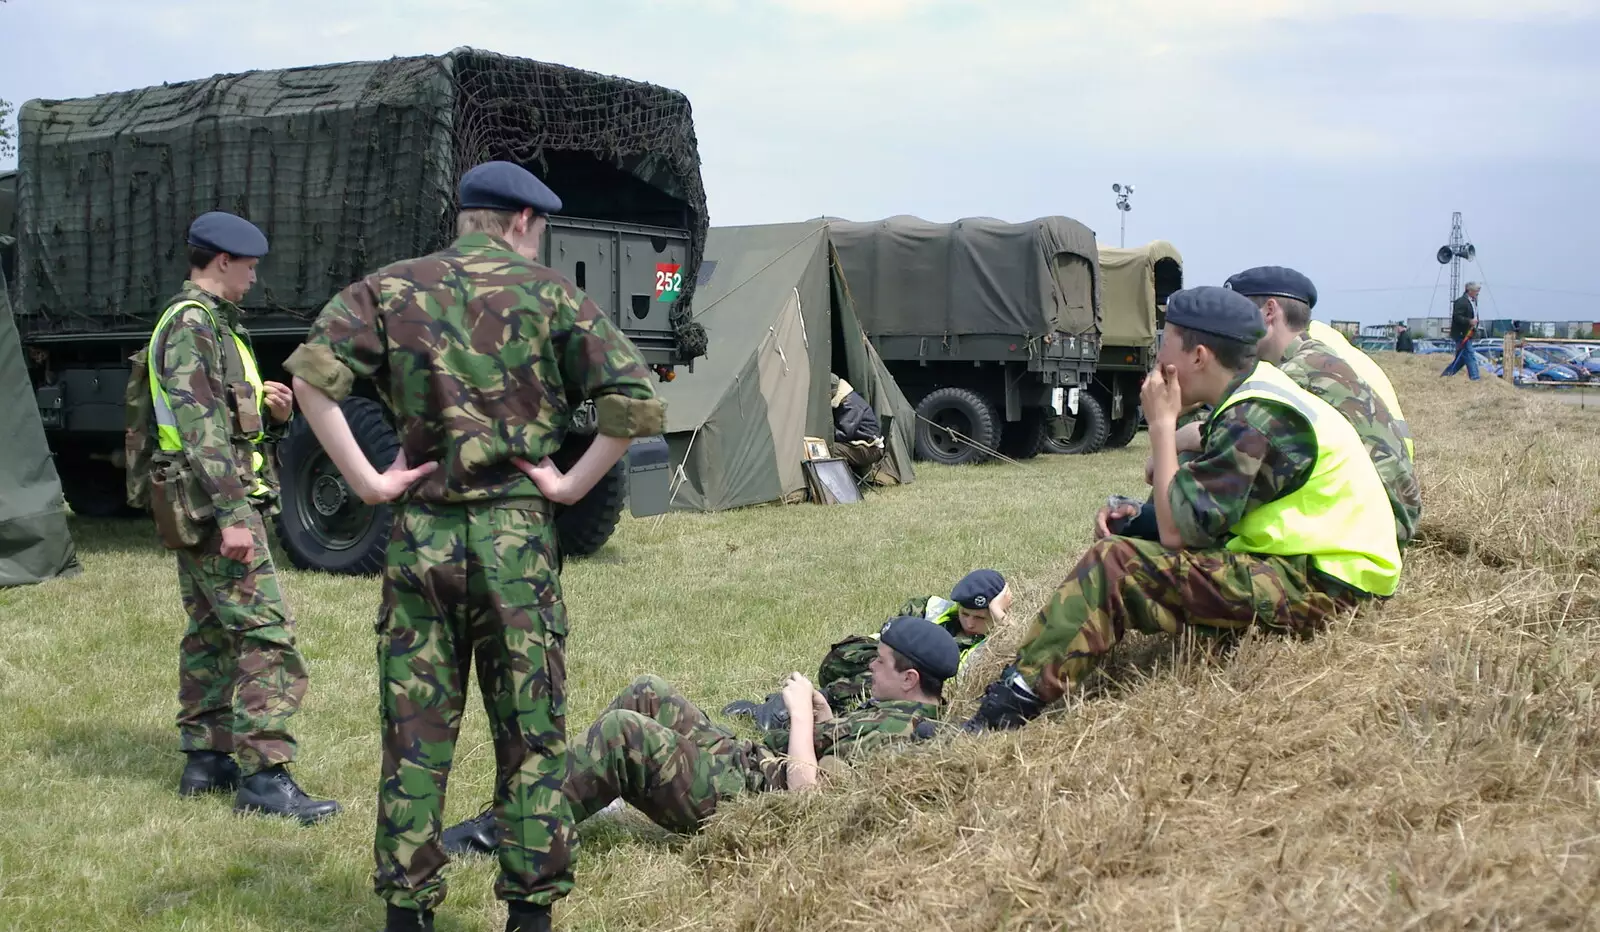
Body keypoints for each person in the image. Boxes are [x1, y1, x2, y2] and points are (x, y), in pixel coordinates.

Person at [284, 160, 666, 932]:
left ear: (467, 218)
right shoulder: (554, 297)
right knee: (531, 742)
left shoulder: (390, 289)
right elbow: (636, 403)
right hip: (517, 547)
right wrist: (567, 485)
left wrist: (367, 482)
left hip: (421, 538)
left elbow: (310, 379)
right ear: (526, 222)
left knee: (415, 741)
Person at [966, 287, 1401, 731]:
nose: (1157, 358)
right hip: (1314, 569)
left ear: (1198, 356)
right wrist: (1138, 518)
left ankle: (1008, 706)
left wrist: (1160, 425)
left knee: (1113, 565)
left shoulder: (1258, 418)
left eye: (1165, 344)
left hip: (1328, 587)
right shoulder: (1253, 398)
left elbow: (1181, 533)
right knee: (1131, 539)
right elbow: (1205, 504)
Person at [131, 210, 340, 824]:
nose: (254, 277)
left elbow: (212, 413)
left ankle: (208, 760)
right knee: (265, 633)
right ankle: (265, 776)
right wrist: (234, 516)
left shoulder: (209, 324)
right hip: (212, 503)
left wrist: (264, 407)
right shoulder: (195, 324)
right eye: (250, 267)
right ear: (223, 261)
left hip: (193, 501)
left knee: (212, 632)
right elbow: (198, 430)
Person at [442, 616, 961, 855]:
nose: (870, 664)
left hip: (751, 802)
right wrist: (825, 722)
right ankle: (568, 798)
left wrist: (801, 719)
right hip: (754, 769)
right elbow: (837, 759)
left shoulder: (904, 740)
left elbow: (811, 805)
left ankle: (511, 831)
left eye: (882, 661)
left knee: (626, 733)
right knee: (648, 692)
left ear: (911, 679)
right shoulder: (893, 715)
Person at [1223, 267, 1420, 548]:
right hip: (1386, 518)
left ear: (1269, 312)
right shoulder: (1317, 357)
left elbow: (1237, 447)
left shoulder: (1295, 374)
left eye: (1237, 315)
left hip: (1371, 529)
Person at [809, 568, 1013, 712]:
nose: (969, 623)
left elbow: (1025, 656)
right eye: (965, 613)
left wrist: (999, 615)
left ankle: (822, 702)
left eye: (980, 618)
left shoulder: (1000, 642)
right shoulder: (930, 609)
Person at [829, 373, 885, 475]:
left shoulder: (850, 404)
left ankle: (840, 481)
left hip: (870, 449)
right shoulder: (848, 400)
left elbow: (844, 433)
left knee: (829, 448)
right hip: (865, 446)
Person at [1442, 282, 1482, 379]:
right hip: (1461, 334)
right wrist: (1469, 321)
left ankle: (1446, 375)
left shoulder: (1473, 302)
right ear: (1470, 290)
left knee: (1462, 359)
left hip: (1469, 333)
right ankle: (1475, 378)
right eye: (1476, 291)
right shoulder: (1461, 301)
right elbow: (1457, 317)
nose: (1478, 293)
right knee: (1470, 354)